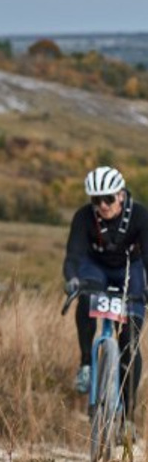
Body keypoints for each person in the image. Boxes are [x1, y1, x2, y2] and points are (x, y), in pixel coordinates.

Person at [63, 166, 148, 408]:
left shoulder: (140, 216)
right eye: (96, 200)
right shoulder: (83, 217)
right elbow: (74, 256)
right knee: (85, 295)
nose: (103, 205)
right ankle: (86, 365)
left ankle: (127, 414)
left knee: (129, 343)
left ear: (121, 195)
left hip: (131, 270)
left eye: (108, 198)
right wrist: (72, 279)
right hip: (96, 268)